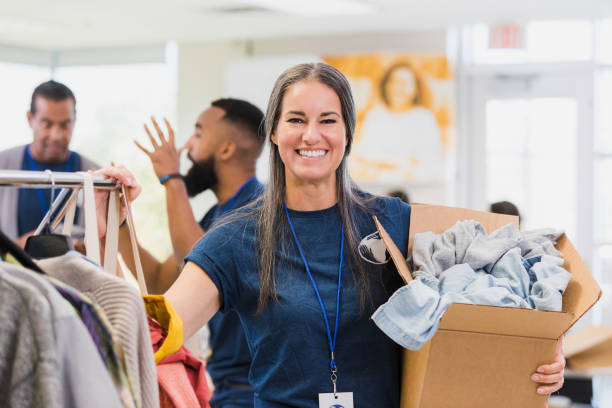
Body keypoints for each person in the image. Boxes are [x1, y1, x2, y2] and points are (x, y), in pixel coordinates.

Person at [101, 63, 565, 407]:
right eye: (296, 119)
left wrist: (548, 351)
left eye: (328, 120)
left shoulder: (394, 222)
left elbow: (507, 277)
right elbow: (160, 327)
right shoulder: (236, 238)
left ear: (347, 133)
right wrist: (116, 222)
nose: (312, 135)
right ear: (276, 133)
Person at [123, 98, 265, 408]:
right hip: (226, 390)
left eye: (198, 133)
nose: (187, 145)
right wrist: (119, 220)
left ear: (226, 150)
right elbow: (163, 281)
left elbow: (210, 268)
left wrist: (172, 179)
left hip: (254, 393)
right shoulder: (215, 216)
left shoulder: (259, 210)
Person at [0, 80, 97, 247]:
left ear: (74, 121)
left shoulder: (95, 174)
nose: (56, 135)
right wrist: (17, 247)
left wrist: (86, 250)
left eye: (65, 124)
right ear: (30, 119)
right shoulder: (3, 166)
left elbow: (108, 249)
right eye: (47, 124)